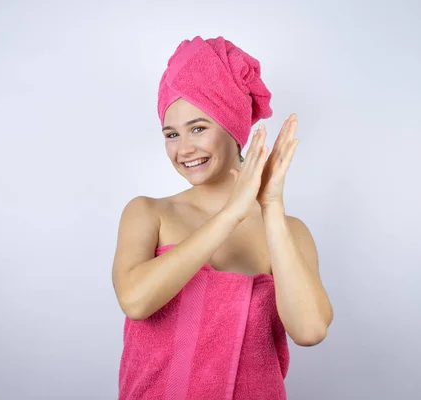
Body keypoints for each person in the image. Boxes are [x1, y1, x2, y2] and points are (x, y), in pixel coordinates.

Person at [112, 35, 333, 399]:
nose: (184, 149)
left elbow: (310, 330)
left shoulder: (290, 231)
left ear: (233, 129)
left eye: (198, 128)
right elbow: (136, 301)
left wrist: (271, 209)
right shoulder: (148, 212)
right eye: (171, 134)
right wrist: (230, 215)